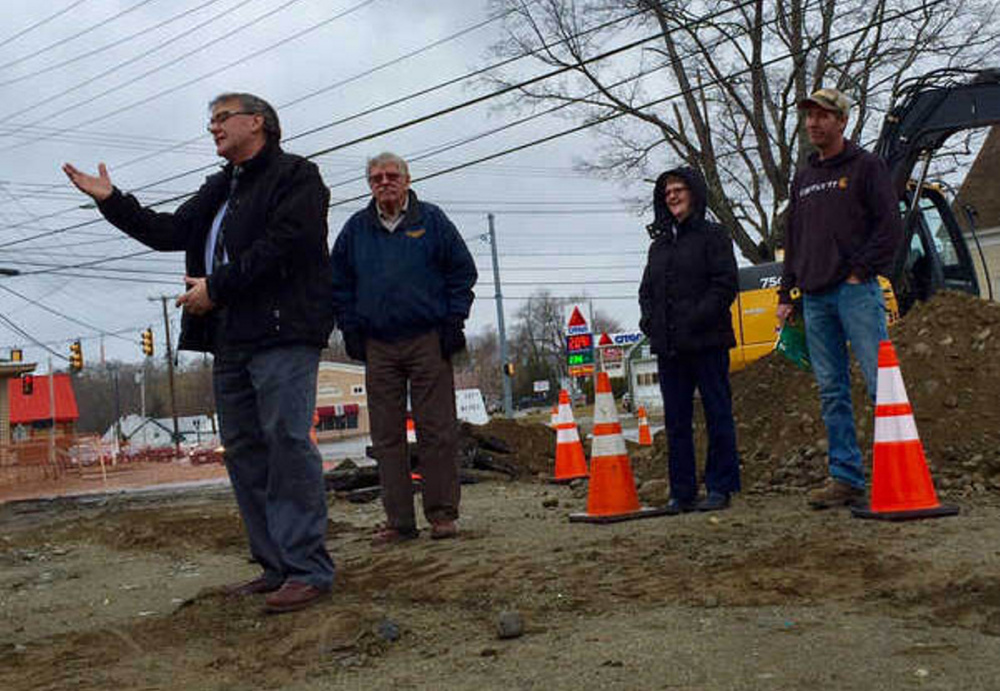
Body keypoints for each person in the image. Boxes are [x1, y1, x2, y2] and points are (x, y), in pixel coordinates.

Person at [63, 93, 336, 613]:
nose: (212, 128)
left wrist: (218, 287)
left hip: (282, 331)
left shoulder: (296, 177)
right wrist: (111, 199)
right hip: (230, 336)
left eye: (221, 118)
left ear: (258, 123)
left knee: (285, 442)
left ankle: (308, 570)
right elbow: (169, 231)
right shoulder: (222, 186)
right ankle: (276, 567)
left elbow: (285, 244)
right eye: (210, 120)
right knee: (245, 449)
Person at [330, 152, 477, 545]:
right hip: (378, 345)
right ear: (369, 185)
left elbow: (462, 272)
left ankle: (442, 515)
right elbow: (338, 284)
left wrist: (453, 320)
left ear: (408, 180)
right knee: (386, 437)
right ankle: (399, 521)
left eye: (391, 175)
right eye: (376, 177)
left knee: (437, 430)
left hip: (428, 339)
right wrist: (350, 328)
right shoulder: (355, 230)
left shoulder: (433, 221)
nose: (384, 182)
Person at [777, 88, 903, 509]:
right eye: (809, 116)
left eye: (822, 115)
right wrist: (786, 292)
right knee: (832, 390)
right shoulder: (804, 178)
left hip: (856, 294)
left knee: (878, 381)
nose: (813, 123)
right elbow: (793, 240)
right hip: (813, 299)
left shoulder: (867, 167)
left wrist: (858, 273)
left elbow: (889, 227)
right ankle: (846, 478)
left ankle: (901, 471)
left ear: (841, 121)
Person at [639, 166, 740, 514]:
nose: (672, 196)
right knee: (676, 421)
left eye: (679, 189)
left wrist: (697, 318)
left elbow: (725, 284)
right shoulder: (658, 247)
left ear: (694, 193)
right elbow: (646, 291)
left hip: (707, 341)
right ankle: (681, 493)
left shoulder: (714, 236)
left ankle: (720, 487)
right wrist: (649, 321)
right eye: (667, 192)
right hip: (670, 348)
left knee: (717, 413)